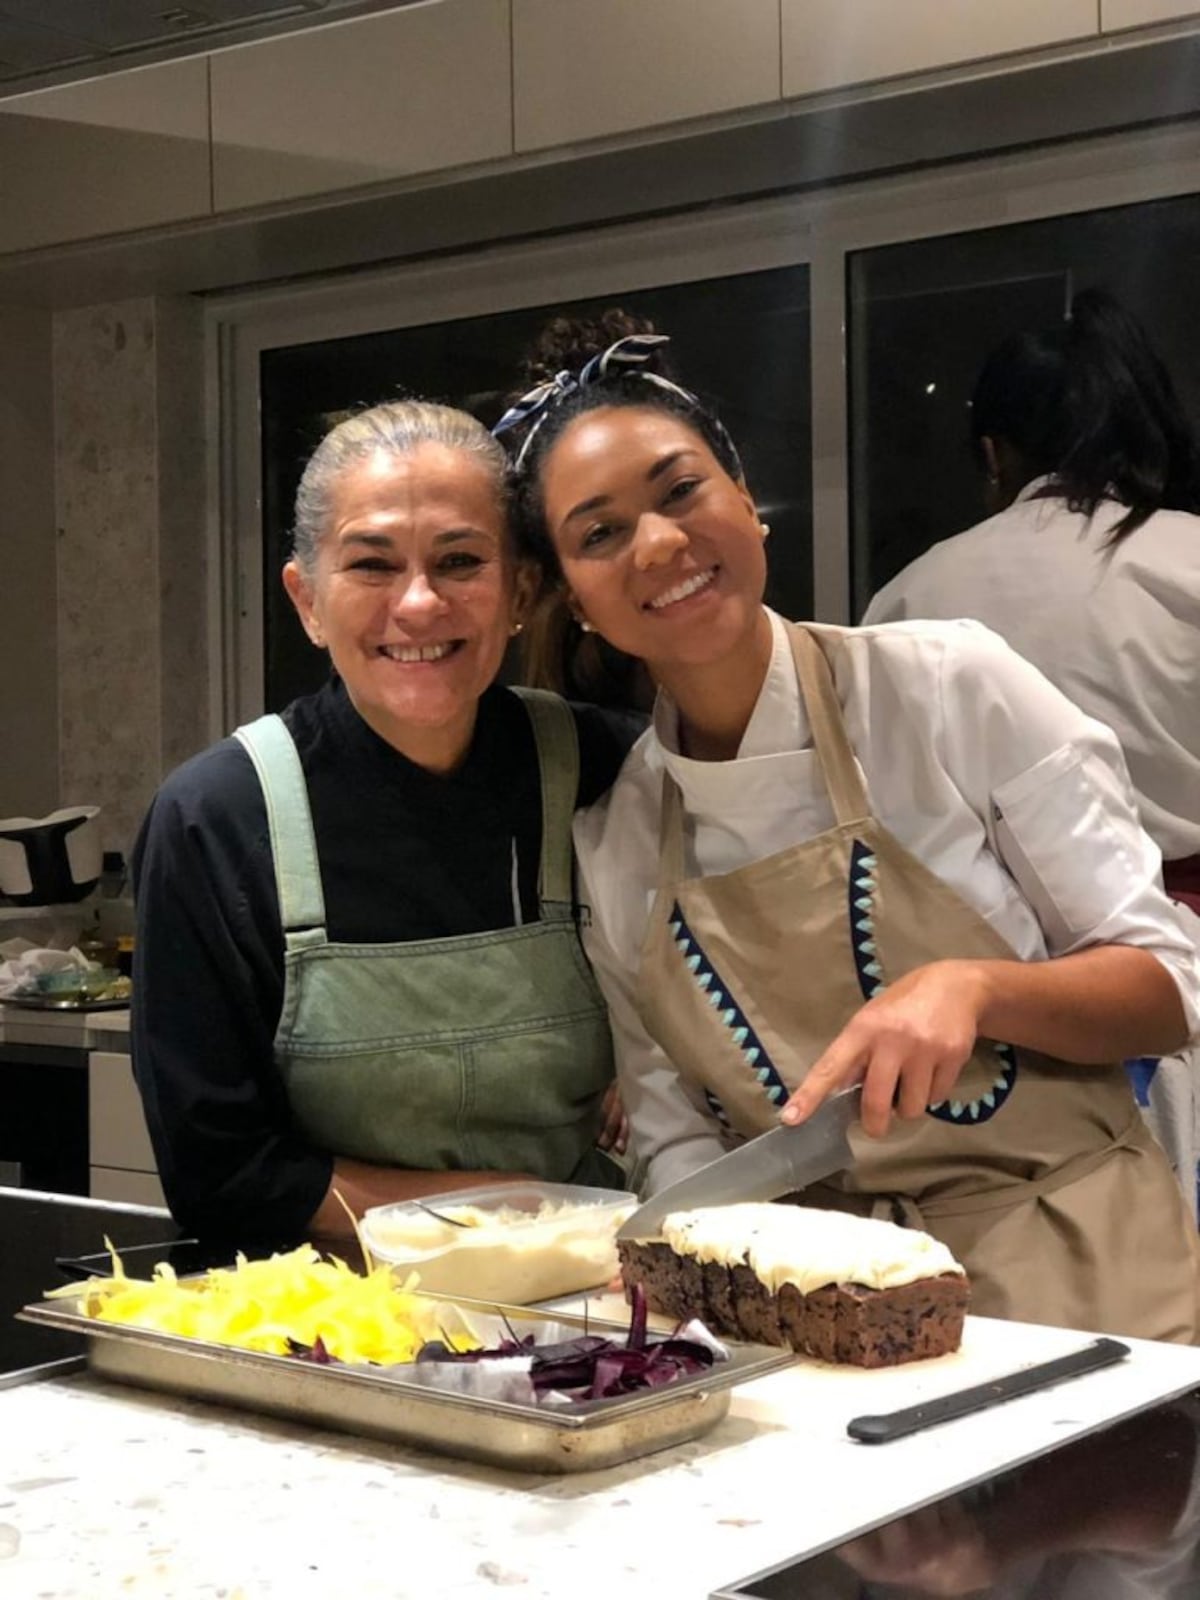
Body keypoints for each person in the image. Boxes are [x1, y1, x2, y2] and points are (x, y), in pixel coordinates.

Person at [495, 316, 1200, 1341]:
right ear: (579, 602)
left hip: (1088, 1287)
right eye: (599, 533)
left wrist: (976, 984)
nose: (657, 542)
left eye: (681, 489)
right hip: (823, 1323)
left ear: (750, 503)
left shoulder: (949, 688)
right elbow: (677, 1146)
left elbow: (1169, 986)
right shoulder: (619, 840)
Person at [132, 400, 637, 1254]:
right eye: (371, 564)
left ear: (518, 591)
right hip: (328, 1323)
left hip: (593, 1302)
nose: (418, 603)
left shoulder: (600, 768)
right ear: (307, 601)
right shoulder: (215, 818)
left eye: (461, 560)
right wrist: (519, 1215)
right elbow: (221, 1172)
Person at [863, 287, 1200, 1216]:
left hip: (996, 1010)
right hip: (1154, 975)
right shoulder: (1191, 563)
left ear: (992, 452)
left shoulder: (909, 596)